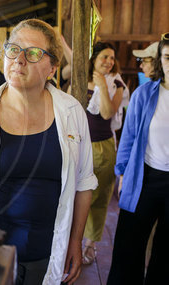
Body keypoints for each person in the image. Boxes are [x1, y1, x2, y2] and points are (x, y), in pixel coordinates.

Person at [0, 19, 98, 285]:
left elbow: (84, 183)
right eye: (13, 49)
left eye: (34, 53)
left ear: (52, 68)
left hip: (47, 250)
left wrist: (74, 242)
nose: (19, 60)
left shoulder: (72, 112)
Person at [107, 34, 169, 285]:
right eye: (167, 57)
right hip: (144, 175)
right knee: (128, 244)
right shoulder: (145, 94)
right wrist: (121, 174)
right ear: (161, 60)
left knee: (166, 251)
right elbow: (129, 136)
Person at [82, 42, 126, 265]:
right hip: (80, 145)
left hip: (104, 146)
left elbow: (108, 113)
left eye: (112, 58)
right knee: (76, 194)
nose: (109, 61)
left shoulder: (116, 83)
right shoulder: (81, 78)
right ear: (94, 58)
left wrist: (101, 86)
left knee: (99, 197)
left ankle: (90, 245)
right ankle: (71, 240)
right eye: (105, 57)